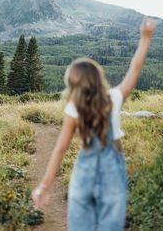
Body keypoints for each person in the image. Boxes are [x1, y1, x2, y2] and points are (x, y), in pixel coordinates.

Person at [32, 18, 156, 231]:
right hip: (113, 172)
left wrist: (44, 186)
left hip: (84, 170)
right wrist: (145, 38)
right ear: (99, 79)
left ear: (73, 85)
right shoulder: (114, 98)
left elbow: (60, 150)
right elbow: (134, 69)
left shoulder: (73, 108)